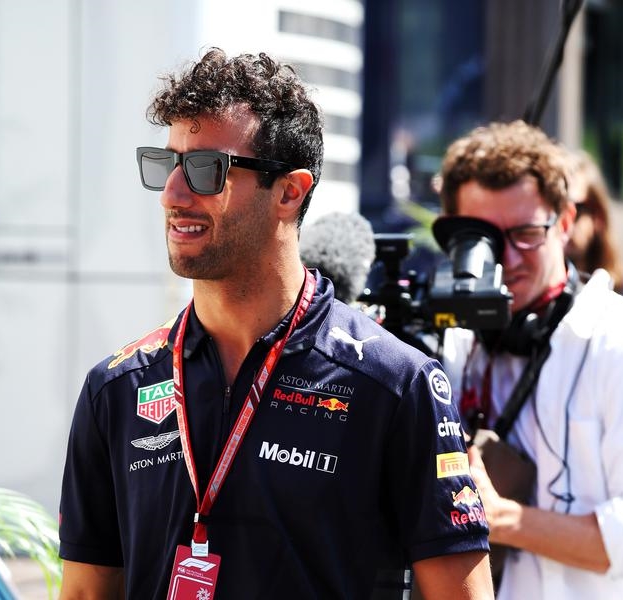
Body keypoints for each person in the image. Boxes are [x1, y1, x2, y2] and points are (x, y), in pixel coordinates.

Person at [58, 48, 494, 599]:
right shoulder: (116, 387)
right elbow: (84, 591)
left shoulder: (396, 384)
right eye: (166, 165)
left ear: (290, 192)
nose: (173, 194)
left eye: (206, 170)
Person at [436, 120, 623, 599]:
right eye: (484, 239)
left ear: (566, 222)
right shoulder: (450, 341)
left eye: (526, 234)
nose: (508, 258)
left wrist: (502, 518)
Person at [563, 148, 623, 320]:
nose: (562, 222)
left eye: (574, 209)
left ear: (598, 216)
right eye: (553, 211)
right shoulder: (537, 312)